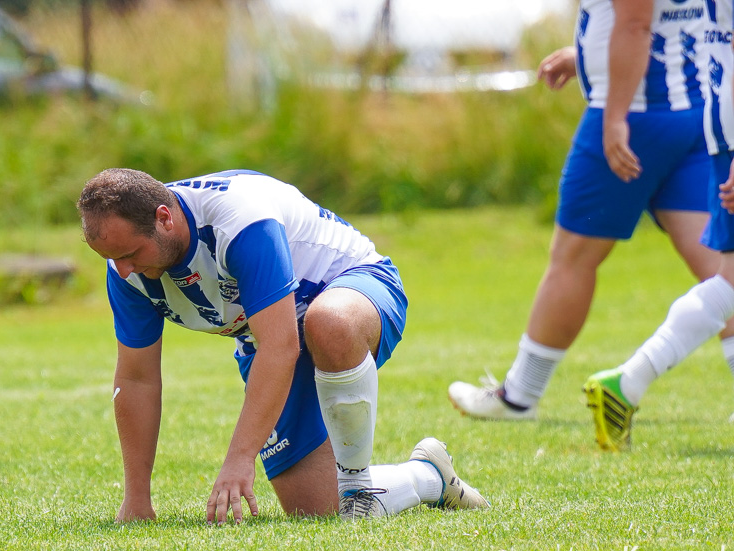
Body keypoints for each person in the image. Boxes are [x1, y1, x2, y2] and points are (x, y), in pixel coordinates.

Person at [77, 168, 490, 523]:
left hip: (352, 288)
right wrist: (136, 499)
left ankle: (358, 487)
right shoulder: (125, 271)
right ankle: (428, 476)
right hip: (270, 333)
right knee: (315, 508)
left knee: (327, 323)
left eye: (130, 253)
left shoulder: (238, 220)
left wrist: (240, 458)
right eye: (112, 259)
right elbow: (136, 378)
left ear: (164, 218)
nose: (123, 268)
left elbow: (280, 346)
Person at [448, 0, 734, 420]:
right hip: (690, 111)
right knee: (720, 266)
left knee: (573, 257)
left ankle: (519, 396)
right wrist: (585, 57)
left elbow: (636, 24)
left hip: (636, 113)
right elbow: (670, 18)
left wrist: (615, 115)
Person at [585, 0, 734, 451]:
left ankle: (626, 384)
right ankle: (624, 383)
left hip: (722, 126)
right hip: (725, 131)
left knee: (728, 281)